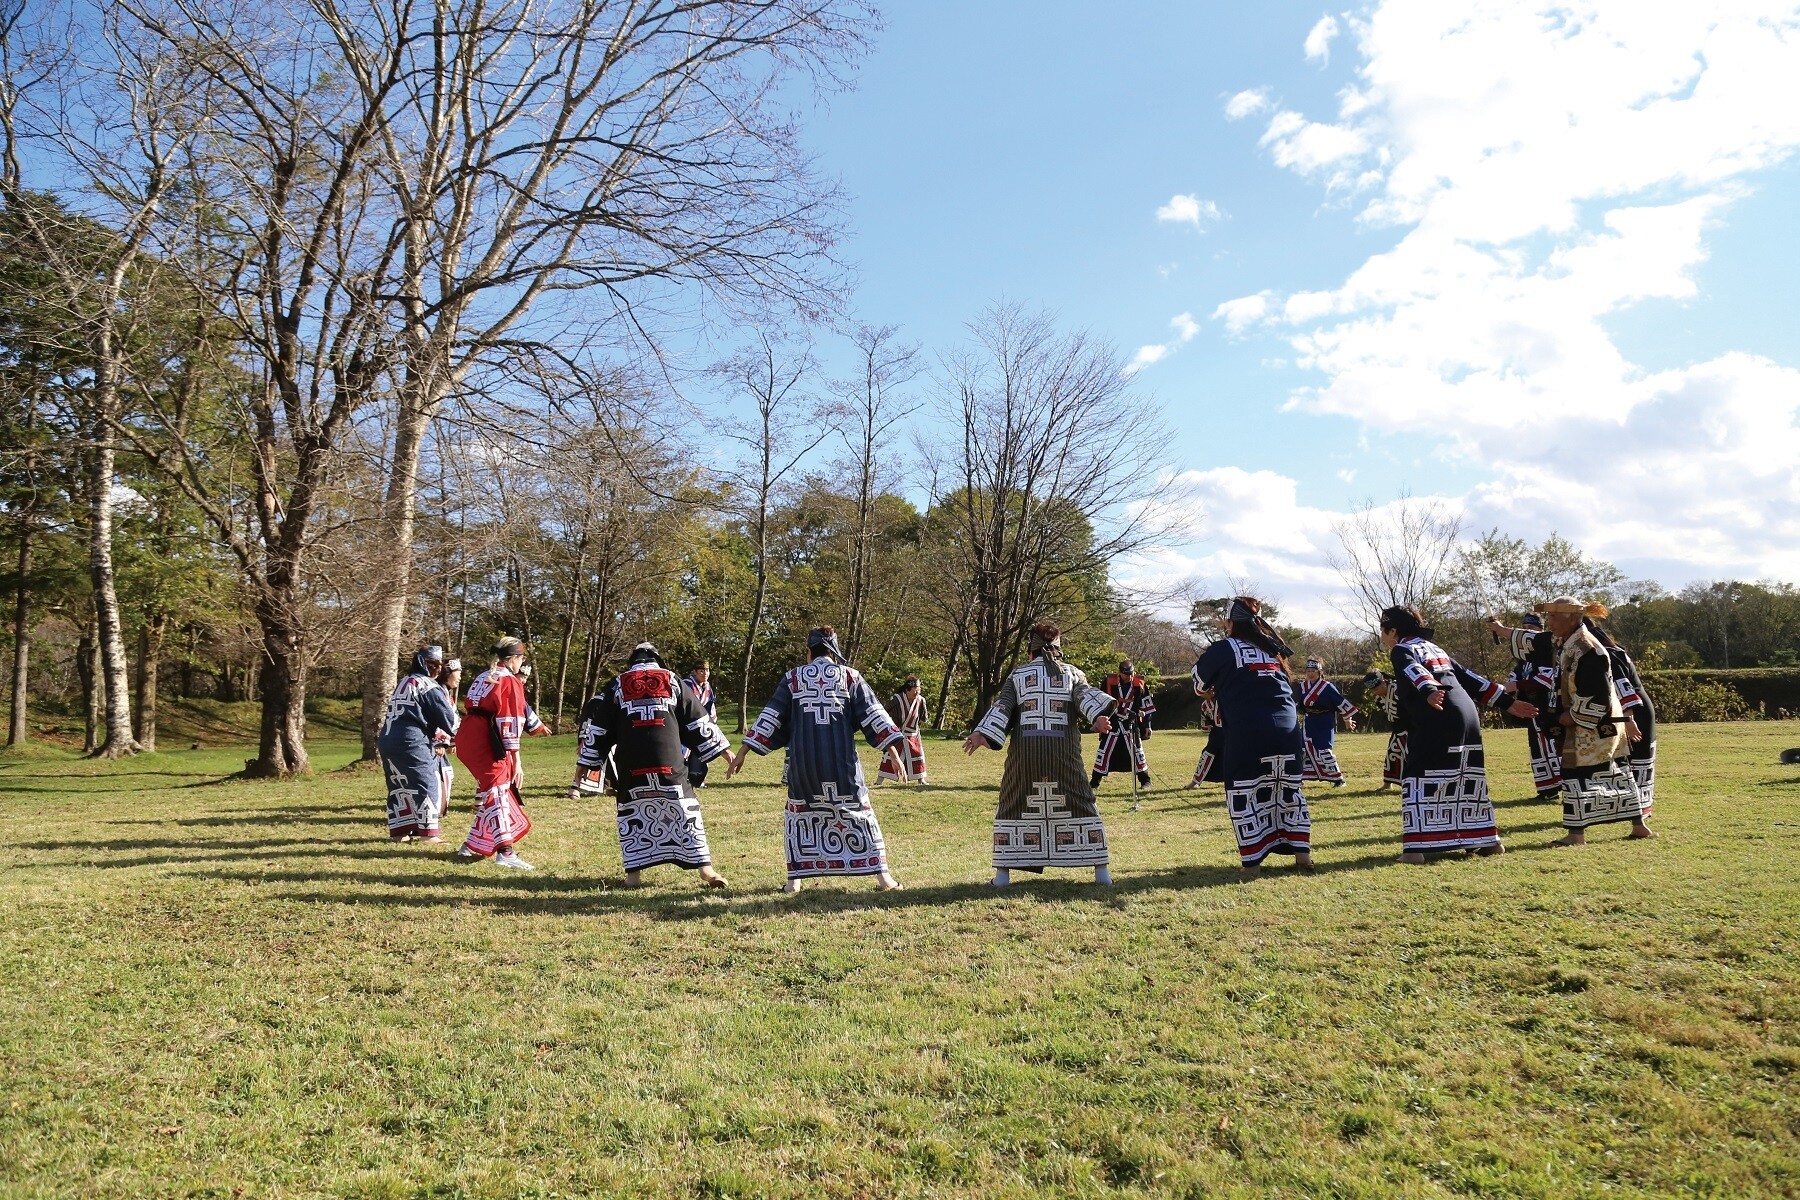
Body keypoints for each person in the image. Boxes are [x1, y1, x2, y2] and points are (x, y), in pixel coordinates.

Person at [728, 627, 907, 893]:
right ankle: (885, 880)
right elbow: (873, 715)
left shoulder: (793, 679)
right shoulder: (850, 677)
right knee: (858, 812)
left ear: (809, 652)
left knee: (800, 813)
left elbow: (772, 715)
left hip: (804, 765)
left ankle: (794, 883)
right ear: (834, 652)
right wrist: (893, 753)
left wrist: (743, 750)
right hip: (841, 763)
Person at [963, 621, 1117, 887]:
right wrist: (1098, 717)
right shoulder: (1071, 674)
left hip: (1026, 755)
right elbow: (1084, 697)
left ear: (1030, 650)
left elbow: (1003, 706)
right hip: (1063, 753)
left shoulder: (1018, 675)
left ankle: (1002, 877)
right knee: (1081, 801)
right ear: (1058, 648)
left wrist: (982, 734)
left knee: (1013, 804)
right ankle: (1102, 873)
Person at [1381, 605, 1535, 863]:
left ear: (1393, 630)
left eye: (1383, 631)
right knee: (1466, 775)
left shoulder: (1402, 649)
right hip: (1466, 713)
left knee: (1419, 774)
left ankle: (1415, 849)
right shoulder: (1435, 648)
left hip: (1439, 711)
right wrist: (1508, 703)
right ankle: (1487, 840)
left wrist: (1429, 690)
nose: (1383, 637)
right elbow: (1469, 678)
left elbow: (1413, 670)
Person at [577, 643, 730, 888]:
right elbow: (697, 721)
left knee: (632, 811)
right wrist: (724, 751)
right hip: (668, 761)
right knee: (684, 807)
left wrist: (586, 762)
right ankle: (706, 870)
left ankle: (633, 877)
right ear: (658, 660)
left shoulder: (617, 684)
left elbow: (600, 725)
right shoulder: (672, 680)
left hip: (631, 763)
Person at [1191, 597, 1314, 876]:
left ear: (1231, 623)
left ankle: (1252, 865)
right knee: (1288, 790)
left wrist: (1214, 690)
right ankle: (1303, 857)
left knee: (1246, 792)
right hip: (1288, 728)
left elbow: (1198, 682)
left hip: (1248, 729)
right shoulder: (1273, 650)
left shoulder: (1224, 649)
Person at [1534, 598, 1654, 845]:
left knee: (1578, 775)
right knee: (1617, 772)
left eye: (1554, 617)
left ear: (1569, 618)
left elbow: (1597, 691)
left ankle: (1576, 834)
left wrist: (1573, 716)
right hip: (1598, 725)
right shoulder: (1571, 643)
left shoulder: (1587, 647)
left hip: (1592, 725)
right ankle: (1638, 826)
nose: (1550, 622)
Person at [454, 637, 548, 869]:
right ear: (514, 658)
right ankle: (505, 852)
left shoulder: (484, 676)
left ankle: (471, 844)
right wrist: (515, 758)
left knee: (494, 788)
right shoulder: (509, 681)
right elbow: (511, 720)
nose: (522, 662)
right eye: (521, 658)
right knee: (498, 788)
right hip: (485, 737)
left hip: (470, 733)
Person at [377, 645, 460, 843]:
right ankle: (428, 834)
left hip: (388, 740)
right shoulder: (427, 685)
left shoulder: (404, 682)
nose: (438, 669)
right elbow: (448, 719)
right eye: (433, 664)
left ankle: (400, 832)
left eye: (440, 665)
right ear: (423, 663)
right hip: (412, 741)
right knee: (426, 781)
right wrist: (461, 731)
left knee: (399, 784)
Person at [1485, 613, 1565, 800]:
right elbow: (1514, 678)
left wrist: (1517, 685)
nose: (1527, 632)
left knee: (1554, 746)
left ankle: (1565, 784)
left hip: (1550, 706)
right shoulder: (1524, 660)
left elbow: (1547, 679)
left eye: (1531, 629)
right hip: (1531, 708)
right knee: (1537, 748)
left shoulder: (1550, 651)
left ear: (1541, 630)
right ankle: (1547, 789)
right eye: (1525, 628)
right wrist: (1502, 690)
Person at [1595, 626, 1657, 818]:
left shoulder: (1609, 655)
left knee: (1637, 758)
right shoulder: (1612, 651)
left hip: (1633, 711)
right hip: (1621, 712)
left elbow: (1622, 686)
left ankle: (1640, 809)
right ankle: (1625, 806)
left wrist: (1628, 720)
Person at [1090, 659, 1154, 789]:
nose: (1129, 677)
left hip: (1131, 723)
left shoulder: (1139, 683)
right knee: (1105, 751)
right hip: (1112, 723)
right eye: (1126, 674)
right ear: (1120, 672)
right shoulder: (1108, 682)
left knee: (1137, 752)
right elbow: (1100, 701)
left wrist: (1148, 725)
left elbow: (1146, 705)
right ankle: (1094, 782)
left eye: (1131, 673)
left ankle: (1145, 781)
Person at [1297, 657, 1358, 788]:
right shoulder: (1302, 687)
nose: (1310, 673)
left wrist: (1347, 720)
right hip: (1309, 722)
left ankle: (1338, 779)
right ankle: (1301, 777)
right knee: (1304, 749)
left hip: (1324, 721)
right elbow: (1298, 704)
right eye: (1308, 670)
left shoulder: (1327, 687)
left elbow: (1341, 703)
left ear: (1319, 672)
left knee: (1324, 750)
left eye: (1313, 670)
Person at [877, 676, 930, 786]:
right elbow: (884, 712)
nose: (917, 692)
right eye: (915, 689)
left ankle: (921, 779)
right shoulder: (896, 699)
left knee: (917, 755)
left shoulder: (921, 700)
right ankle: (879, 780)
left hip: (913, 733)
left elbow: (924, 718)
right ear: (907, 689)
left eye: (919, 689)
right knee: (889, 756)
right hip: (898, 733)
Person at [1363, 670, 1408, 792]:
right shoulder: (1378, 697)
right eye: (1373, 690)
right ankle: (1387, 784)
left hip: (1411, 727)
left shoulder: (1399, 689)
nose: (1375, 692)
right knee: (1392, 755)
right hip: (1397, 727)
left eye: (1377, 688)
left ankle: (1411, 783)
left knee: (1409, 756)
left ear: (1383, 682)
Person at [683, 661, 723, 787]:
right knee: (683, 752)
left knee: (703, 750)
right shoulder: (686, 685)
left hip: (702, 725)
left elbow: (710, 707)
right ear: (694, 672)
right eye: (701, 671)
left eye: (707, 670)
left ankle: (698, 778)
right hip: (685, 725)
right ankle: (683, 778)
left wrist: (711, 724)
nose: (705, 673)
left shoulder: (707, 687)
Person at [435, 657, 463, 822]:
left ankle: (438, 810)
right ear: (447, 673)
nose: (459, 677)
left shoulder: (446, 693)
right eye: (457, 673)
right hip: (434, 745)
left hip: (442, 743)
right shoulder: (438, 692)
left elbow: (453, 718)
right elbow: (436, 719)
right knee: (442, 774)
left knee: (447, 773)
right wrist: (439, 742)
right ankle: (435, 811)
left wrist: (452, 741)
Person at [1184, 695, 1225, 790]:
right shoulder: (1205, 704)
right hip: (1217, 733)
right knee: (1207, 754)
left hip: (1233, 733)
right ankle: (1196, 781)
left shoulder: (1228, 698)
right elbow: (1206, 726)